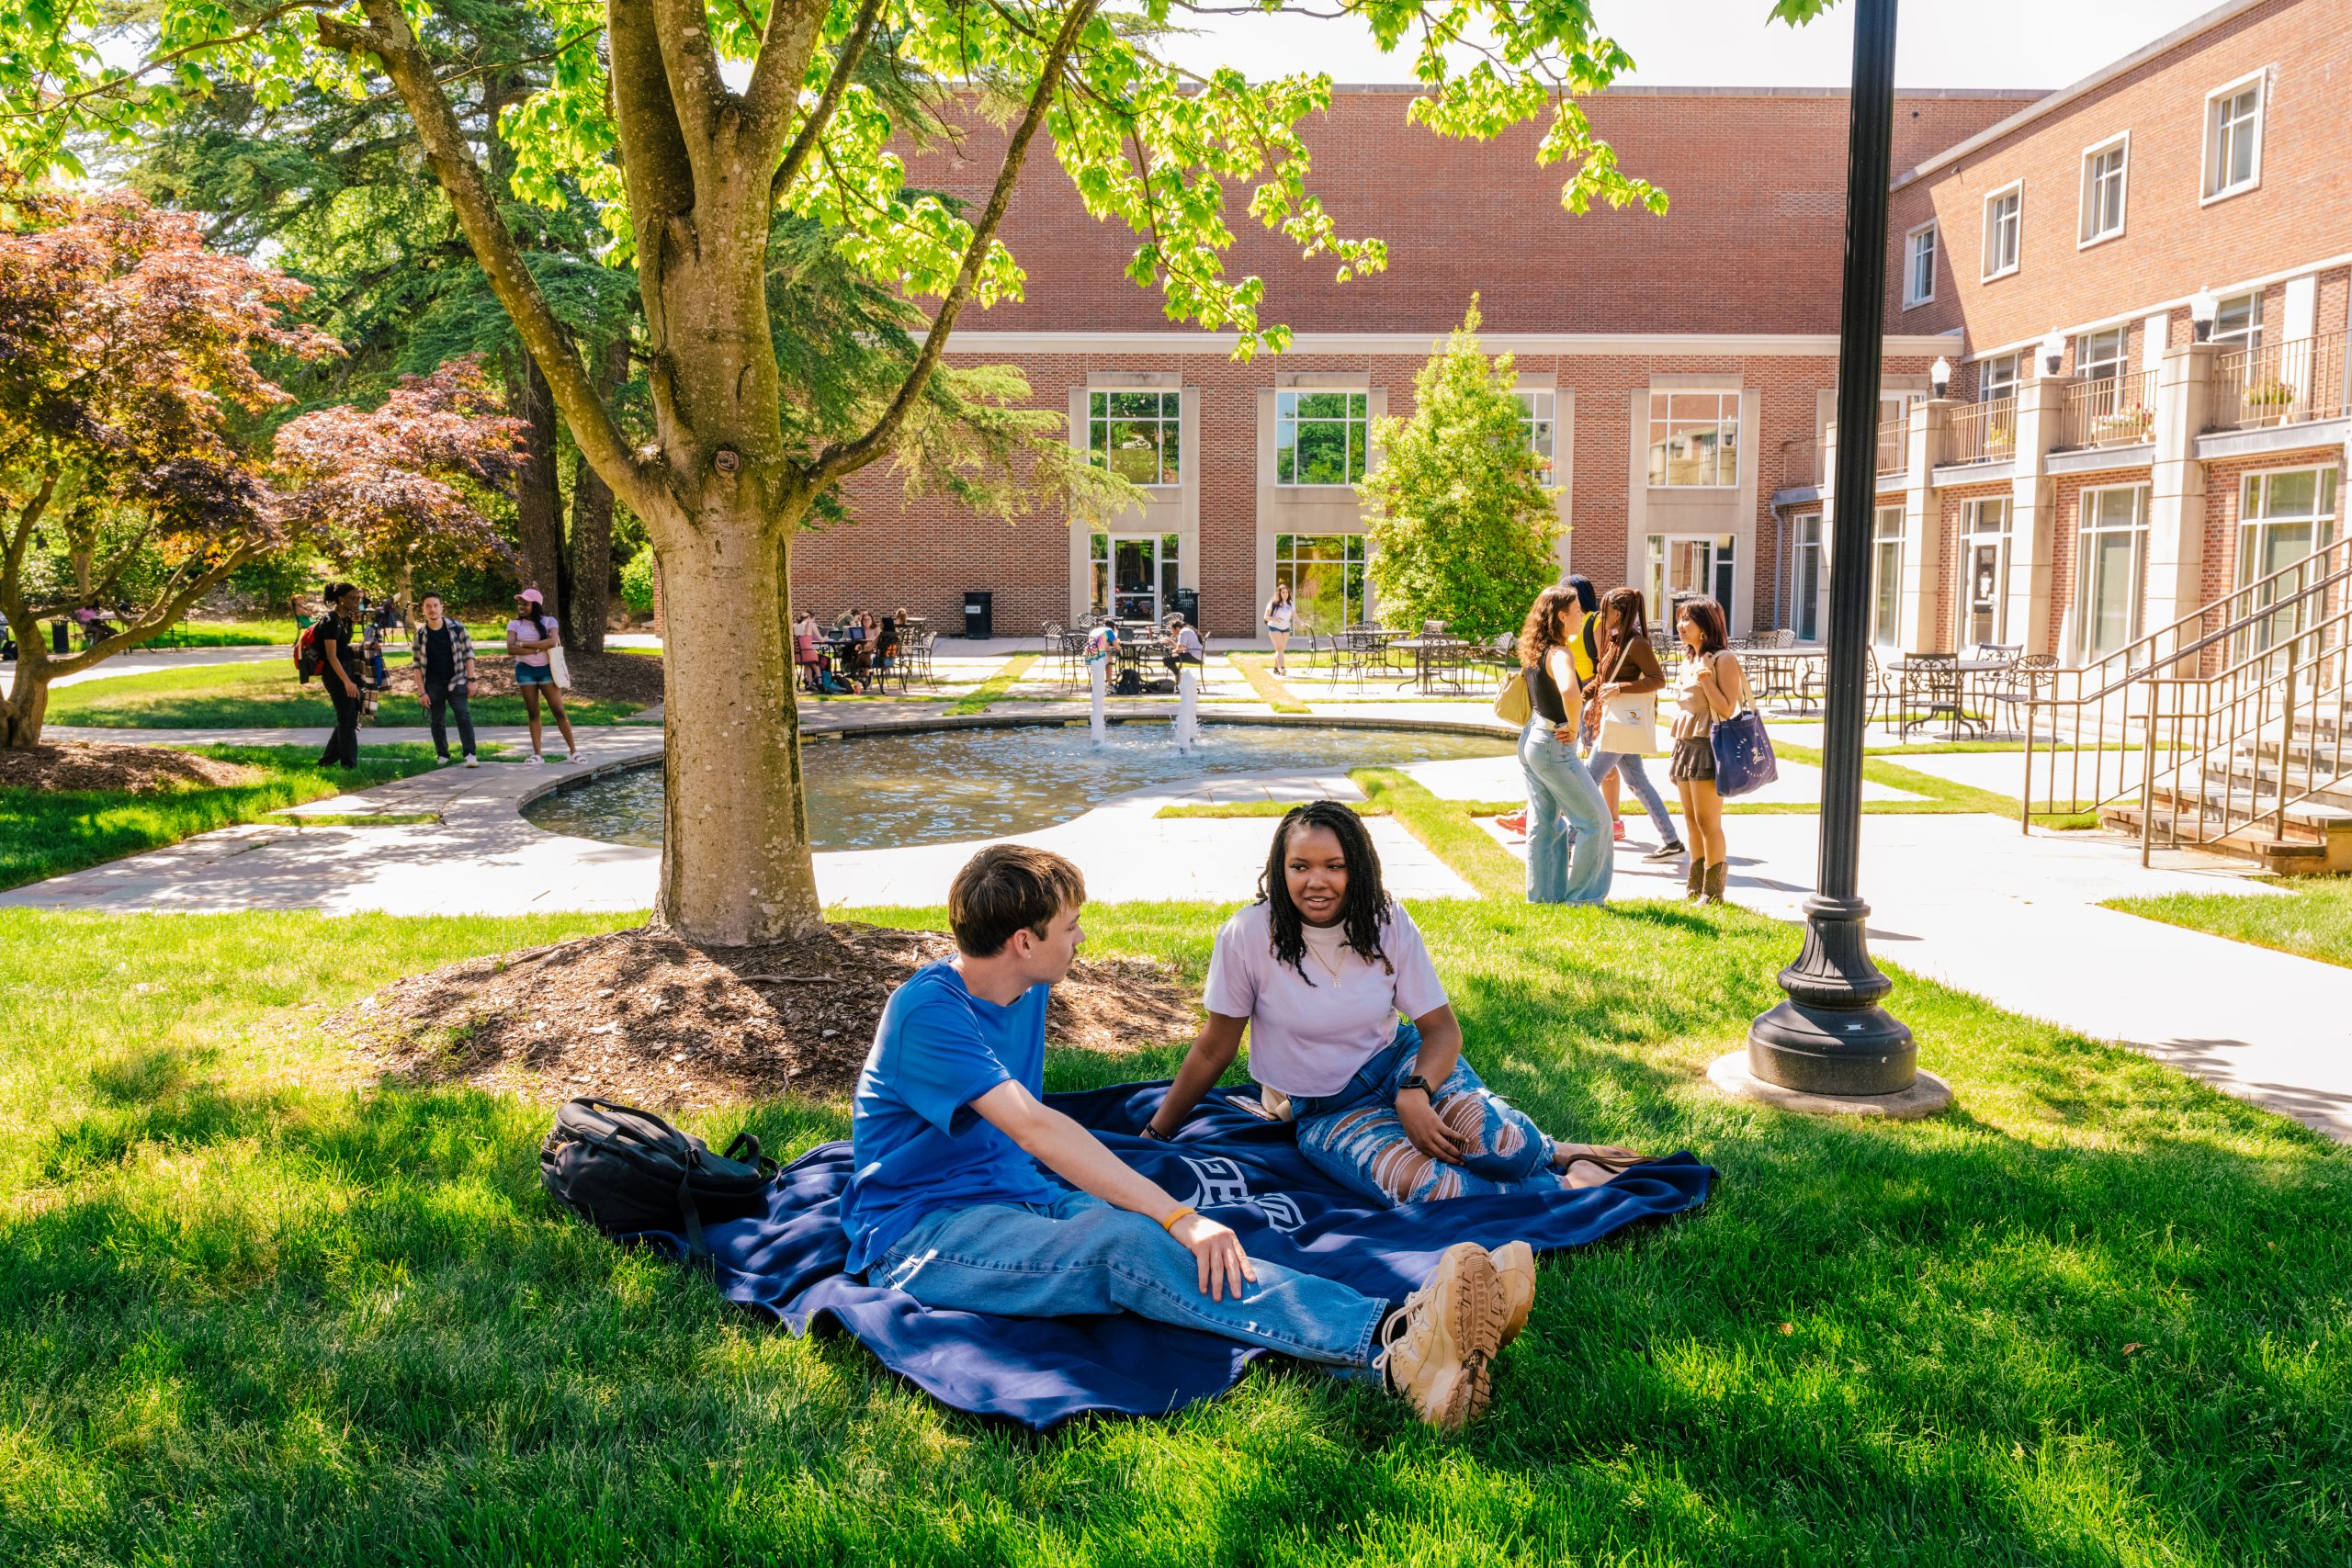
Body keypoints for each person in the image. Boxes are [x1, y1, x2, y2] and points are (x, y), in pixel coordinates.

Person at [844, 844, 1535, 1430]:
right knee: (1133, 1241)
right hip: (922, 1231)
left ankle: (1408, 1338)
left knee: (1191, 1251)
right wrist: (1178, 1212)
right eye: (1070, 926)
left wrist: (1178, 1221)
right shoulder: (926, 1013)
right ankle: (1394, 1346)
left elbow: (1035, 1141)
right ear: (1025, 942)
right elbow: (1036, 1123)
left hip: (1020, 1194)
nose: (1081, 938)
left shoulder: (1022, 988)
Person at [1149, 801, 1645, 1209]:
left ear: (1358, 868)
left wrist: (1415, 1091)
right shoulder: (1248, 935)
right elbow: (1215, 1049)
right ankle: (1570, 1182)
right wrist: (1155, 1134)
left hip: (1401, 1065)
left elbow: (1441, 1030)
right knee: (1434, 1191)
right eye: (1299, 866)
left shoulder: (1384, 919)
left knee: (1503, 1149)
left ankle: (1546, 1150)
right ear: (1281, 871)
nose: (1315, 881)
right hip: (1325, 1110)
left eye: (1334, 866)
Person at [1516, 584, 1612, 905]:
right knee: (1596, 821)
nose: (1582, 615)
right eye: (1576, 611)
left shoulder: (1534, 649)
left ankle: (1543, 900)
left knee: (1544, 824)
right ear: (1561, 616)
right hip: (1552, 745)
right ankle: (1584, 899)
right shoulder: (1559, 653)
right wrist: (1573, 728)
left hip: (1532, 739)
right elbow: (1571, 693)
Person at [1580, 586, 1684, 865]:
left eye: (1607, 609)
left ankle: (1569, 843)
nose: (1603, 614)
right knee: (1638, 783)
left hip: (1618, 726)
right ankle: (1672, 841)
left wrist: (1620, 688)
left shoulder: (1636, 644)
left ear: (1620, 612)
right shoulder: (1615, 640)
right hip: (1619, 725)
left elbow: (1657, 679)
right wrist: (1579, 695)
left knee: (1586, 781)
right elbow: (1602, 679)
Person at [1668, 596, 1746, 905]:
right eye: (1679, 618)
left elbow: (1728, 709)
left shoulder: (1723, 660)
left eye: (1687, 619)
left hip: (1708, 744)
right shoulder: (1689, 658)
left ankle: (1713, 893)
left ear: (1706, 625)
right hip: (1685, 744)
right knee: (1689, 819)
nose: (1680, 625)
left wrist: (1705, 677)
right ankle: (1694, 886)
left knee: (1707, 822)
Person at [505, 587, 578, 764]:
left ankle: (574, 752)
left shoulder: (549, 621)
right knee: (533, 712)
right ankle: (537, 755)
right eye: (520, 603)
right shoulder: (514, 625)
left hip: (547, 669)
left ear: (536, 605)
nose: (521, 606)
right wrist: (539, 647)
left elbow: (552, 642)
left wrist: (524, 644)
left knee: (558, 711)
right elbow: (511, 648)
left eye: (525, 603)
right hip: (525, 670)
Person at [413, 592, 478, 767]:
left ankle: (470, 754)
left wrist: (471, 680)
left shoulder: (458, 628)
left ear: (442, 607)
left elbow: (469, 655)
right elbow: (416, 665)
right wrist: (421, 692)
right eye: (428, 606)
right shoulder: (420, 634)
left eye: (435, 605)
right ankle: (442, 755)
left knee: (463, 715)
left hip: (457, 680)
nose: (432, 609)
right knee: (437, 720)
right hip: (432, 684)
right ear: (423, 609)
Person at [313, 581, 368, 769]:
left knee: (349, 717)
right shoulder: (331, 621)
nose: (357, 602)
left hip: (345, 669)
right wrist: (347, 682)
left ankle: (327, 761)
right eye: (353, 599)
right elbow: (331, 655)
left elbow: (343, 647)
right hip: (335, 673)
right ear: (340, 600)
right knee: (347, 718)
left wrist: (354, 620)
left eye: (358, 598)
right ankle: (349, 766)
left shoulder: (345, 620)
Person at [1264, 581, 1296, 675]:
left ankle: (1275, 668)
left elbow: (1295, 615)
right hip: (1274, 628)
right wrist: (1275, 619)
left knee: (1280, 649)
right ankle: (1282, 668)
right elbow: (1266, 617)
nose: (1285, 594)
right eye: (1283, 592)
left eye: (1287, 592)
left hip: (1286, 629)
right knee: (1279, 648)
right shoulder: (1273, 603)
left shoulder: (1290, 603)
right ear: (1279, 593)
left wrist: (1301, 622)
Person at [793, 609, 824, 694]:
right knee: (815, 660)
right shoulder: (811, 624)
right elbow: (821, 640)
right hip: (808, 653)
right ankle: (820, 682)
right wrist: (827, 638)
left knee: (808, 663)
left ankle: (809, 683)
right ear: (808, 618)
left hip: (798, 656)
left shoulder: (794, 626)